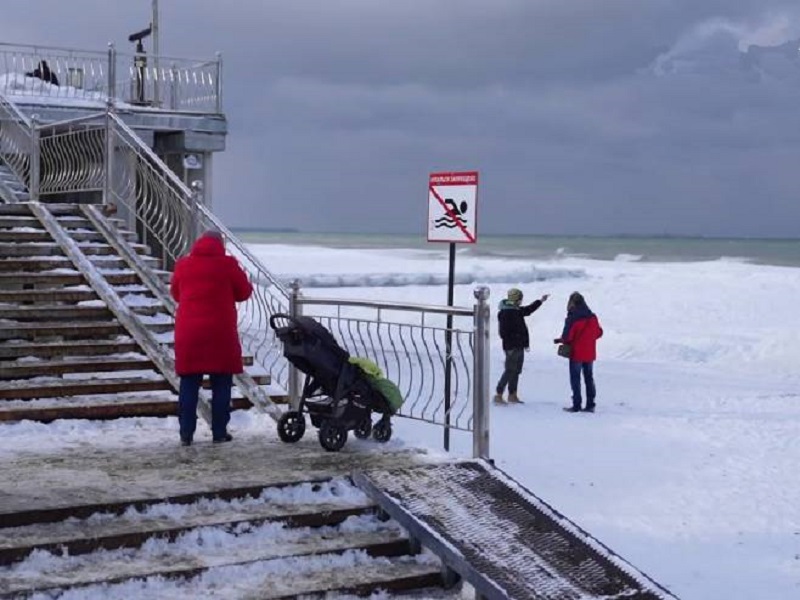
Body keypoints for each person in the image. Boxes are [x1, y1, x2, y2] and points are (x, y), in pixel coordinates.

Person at [170, 230, 253, 445]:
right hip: (220, 333)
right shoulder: (228, 265)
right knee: (222, 384)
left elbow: (176, 293)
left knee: (189, 384)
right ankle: (219, 432)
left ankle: (186, 434)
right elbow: (244, 292)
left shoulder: (183, 264)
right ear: (221, 245)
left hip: (189, 333)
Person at [494, 287, 550, 404]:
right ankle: (499, 394)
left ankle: (512, 394)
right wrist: (516, 338)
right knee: (510, 370)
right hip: (512, 347)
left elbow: (528, 310)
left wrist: (540, 301)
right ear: (516, 299)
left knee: (516, 370)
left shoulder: (516, 309)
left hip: (519, 345)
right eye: (520, 298)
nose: (521, 301)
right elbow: (503, 333)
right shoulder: (507, 312)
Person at [554, 292, 603, 413]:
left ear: (572, 303)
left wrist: (560, 340)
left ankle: (577, 405)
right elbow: (599, 333)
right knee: (589, 378)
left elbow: (567, 337)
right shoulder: (592, 317)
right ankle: (590, 405)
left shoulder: (572, 318)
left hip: (576, 353)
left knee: (575, 379)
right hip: (590, 352)